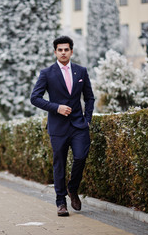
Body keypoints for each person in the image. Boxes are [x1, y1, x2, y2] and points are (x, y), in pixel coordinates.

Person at [30, 36, 95, 216]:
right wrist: (56, 107)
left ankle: (72, 189)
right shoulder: (47, 73)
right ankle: (61, 202)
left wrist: (87, 118)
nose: (63, 52)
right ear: (55, 52)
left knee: (81, 156)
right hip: (58, 127)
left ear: (71, 51)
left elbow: (89, 97)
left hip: (78, 126)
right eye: (60, 50)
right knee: (59, 164)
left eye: (66, 49)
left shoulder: (81, 71)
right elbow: (34, 98)